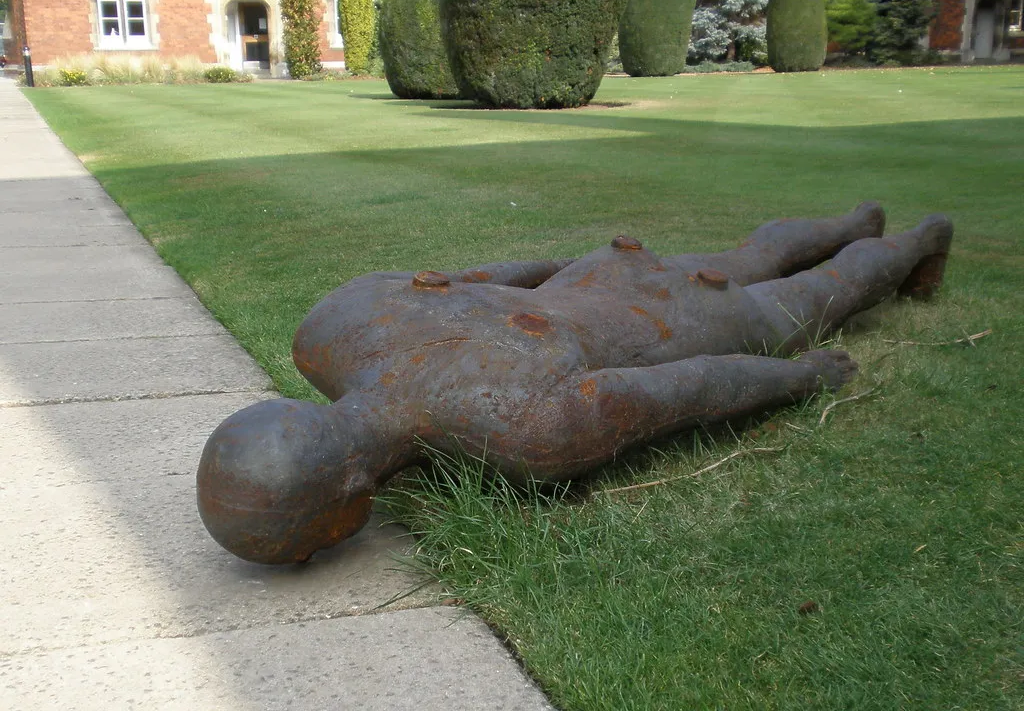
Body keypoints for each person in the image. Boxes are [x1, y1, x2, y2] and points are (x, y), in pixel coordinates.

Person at [197, 203, 952, 564]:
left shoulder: (523, 431)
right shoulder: (332, 325)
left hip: (701, 323)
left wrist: (802, 376)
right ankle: (859, 218)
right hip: (608, 274)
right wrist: (564, 277)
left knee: (822, 294)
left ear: (349, 502)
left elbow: (692, 387)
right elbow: (487, 280)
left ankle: (918, 240)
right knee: (750, 251)